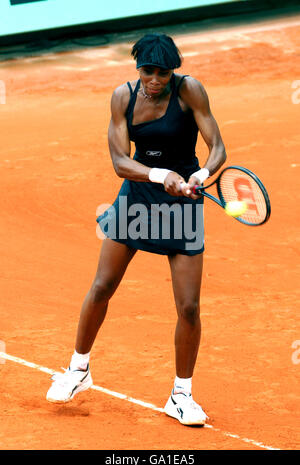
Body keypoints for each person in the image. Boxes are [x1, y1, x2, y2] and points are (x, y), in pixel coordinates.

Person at [46, 33, 226, 426]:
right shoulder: (122, 97)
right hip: (137, 199)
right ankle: (78, 370)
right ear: (138, 68)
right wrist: (161, 175)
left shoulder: (190, 90)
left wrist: (200, 173)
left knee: (190, 306)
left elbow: (218, 147)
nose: (156, 79)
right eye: (149, 71)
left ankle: (181, 395)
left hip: (183, 204)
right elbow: (119, 161)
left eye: (164, 72)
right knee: (102, 285)